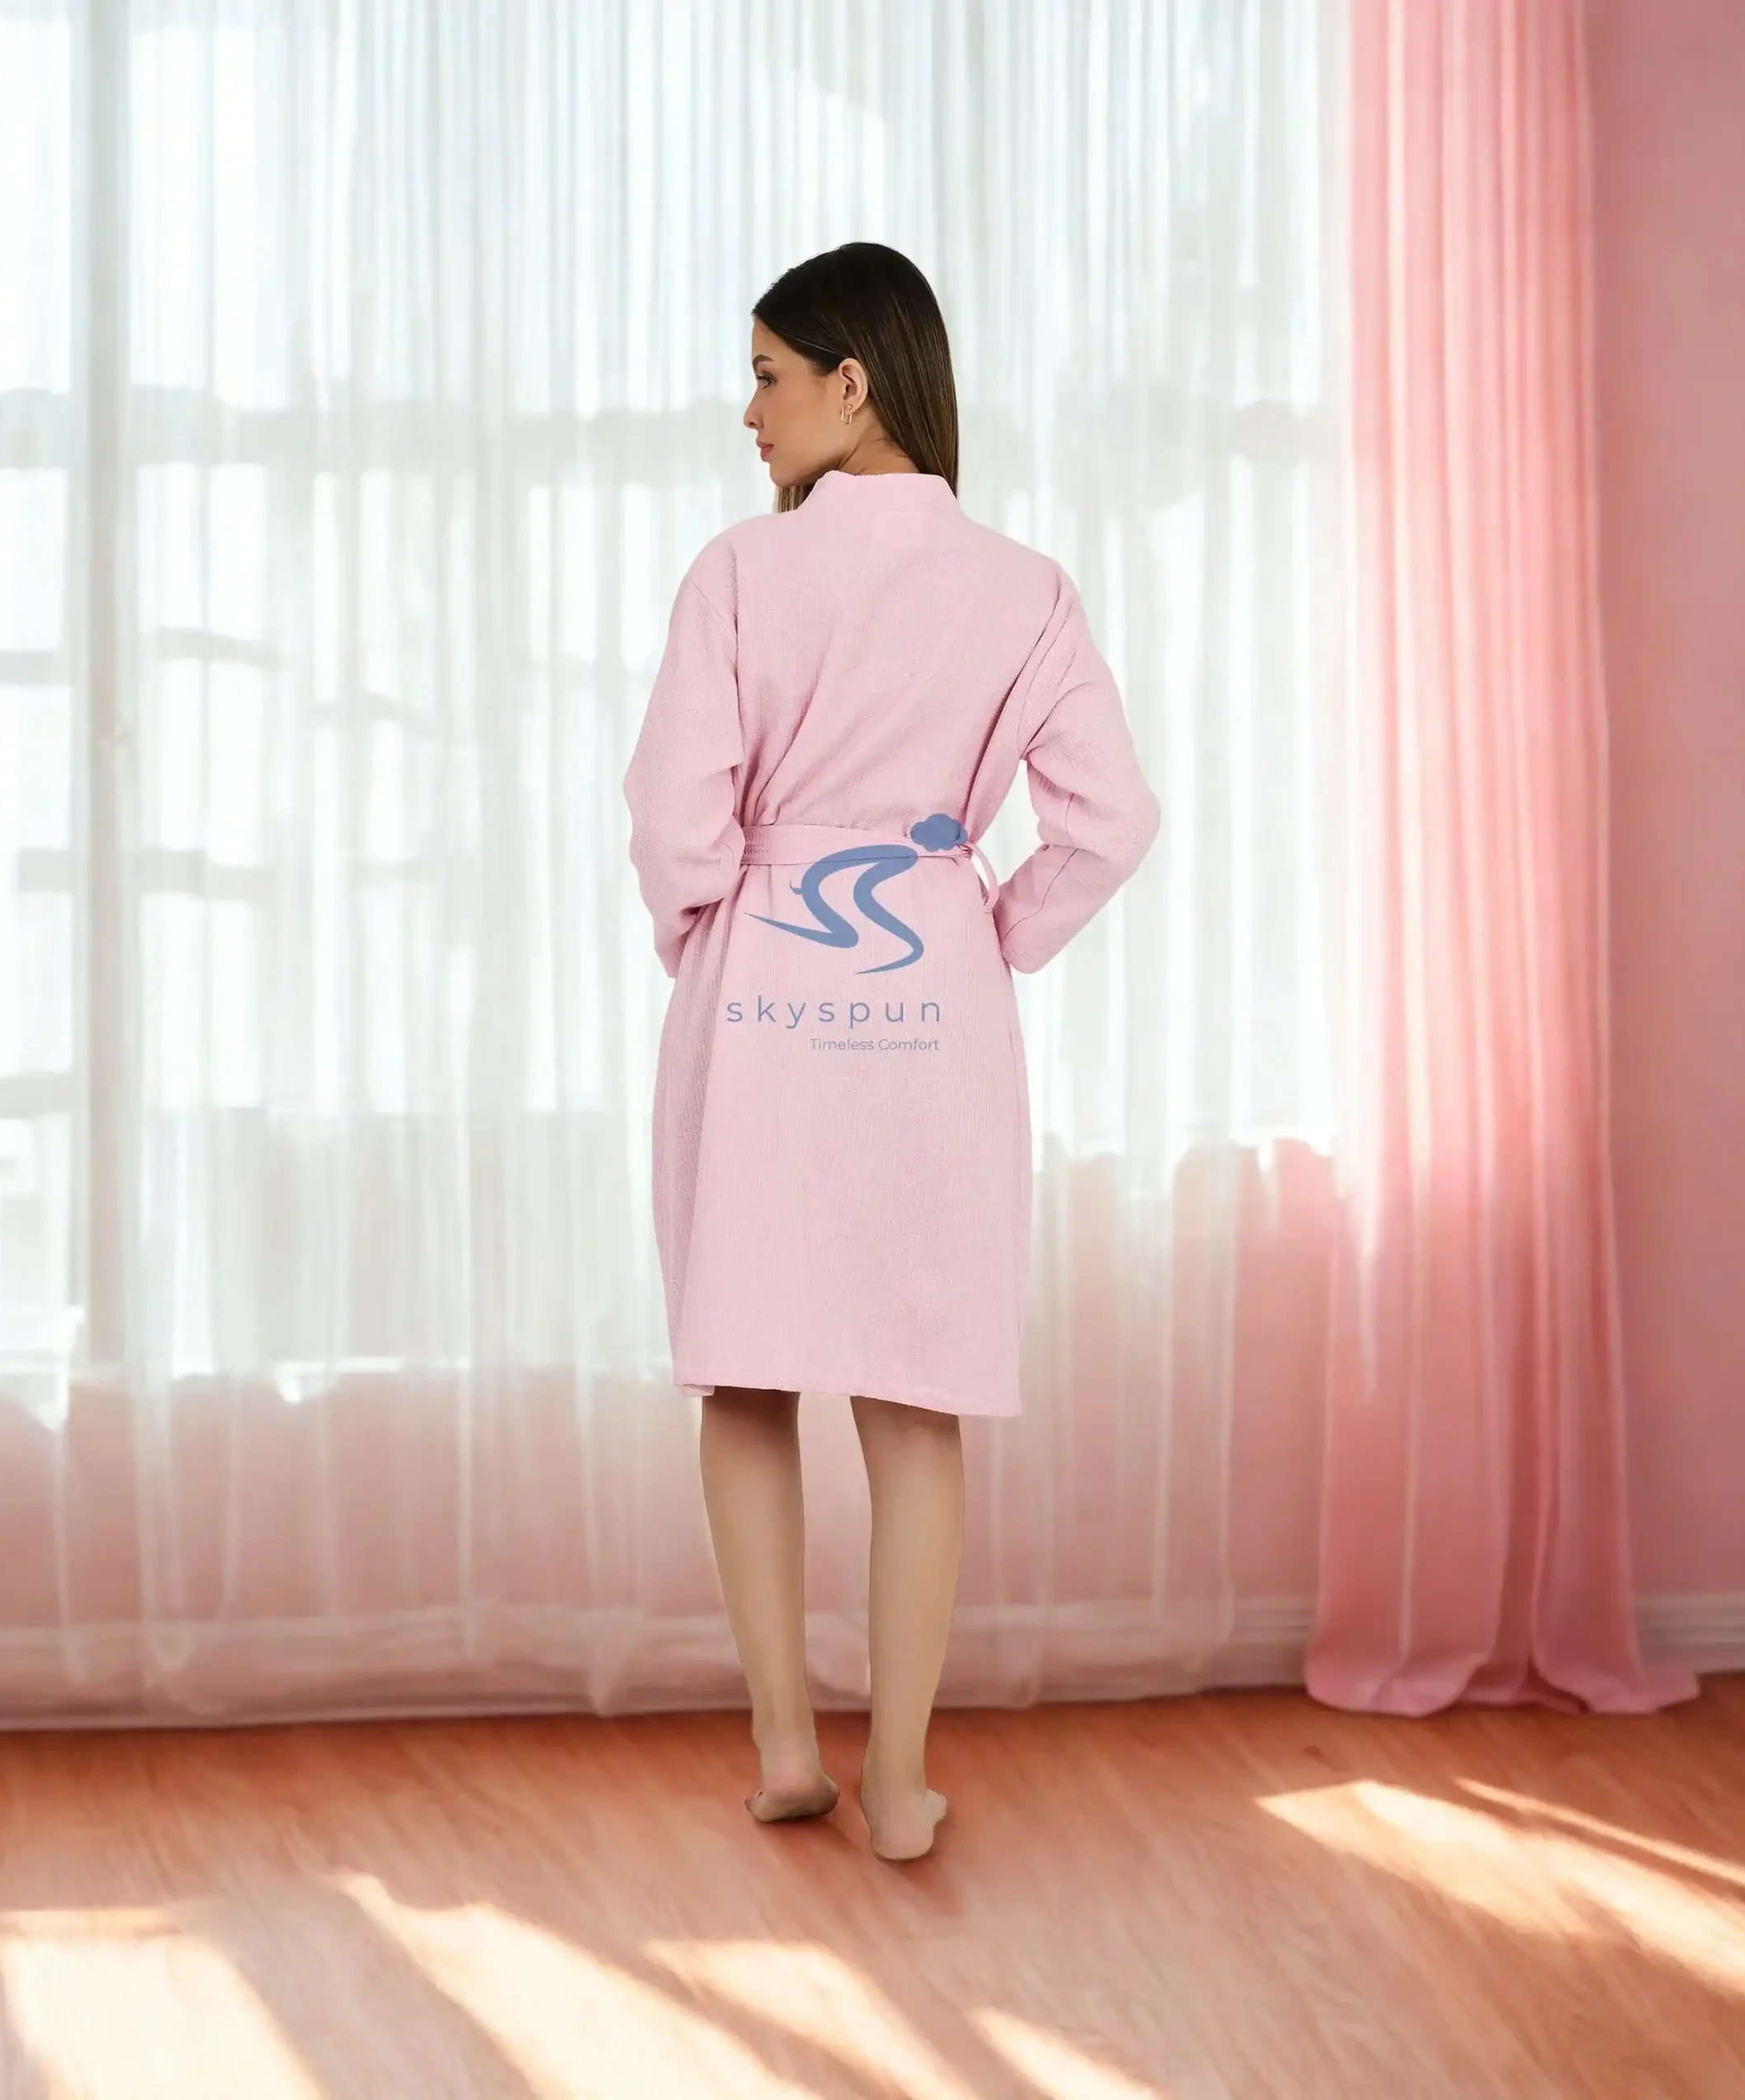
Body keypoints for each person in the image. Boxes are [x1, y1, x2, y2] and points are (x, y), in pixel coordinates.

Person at [621, 241, 1160, 1862]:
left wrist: (708, 931)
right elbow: (1112, 820)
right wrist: (991, 930)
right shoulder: (1025, 589)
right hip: (933, 989)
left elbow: (673, 815)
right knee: (915, 1394)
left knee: (746, 1370)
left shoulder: (739, 572)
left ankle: (789, 1747)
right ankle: (904, 1777)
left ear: (852, 383)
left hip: (763, 979)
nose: (748, 412)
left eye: (768, 376)